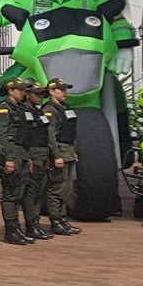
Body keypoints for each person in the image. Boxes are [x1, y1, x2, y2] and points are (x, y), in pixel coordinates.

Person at [0, 77, 47, 246]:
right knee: (11, 195)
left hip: (22, 155)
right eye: (20, 90)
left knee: (23, 193)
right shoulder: (4, 108)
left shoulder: (21, 108)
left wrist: (27, 157)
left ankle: (20, 229)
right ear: (11, 91)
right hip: (12, 156)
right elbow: (2, 136)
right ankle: (11, 231)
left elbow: (24, 135)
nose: (23, 93)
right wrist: (9, 158)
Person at [41, 78, 84, 236]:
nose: (65, 92)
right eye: (61, 89)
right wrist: (56, 156)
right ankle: (55, 220)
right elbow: (50, 135)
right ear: (52, 91)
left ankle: (63, 218)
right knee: (57, 188)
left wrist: (74, 152)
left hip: (69, 151)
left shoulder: (65, 108)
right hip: (59, 152)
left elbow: (71, 132)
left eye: (65, 89)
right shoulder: (49, 110)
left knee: (67, 188)